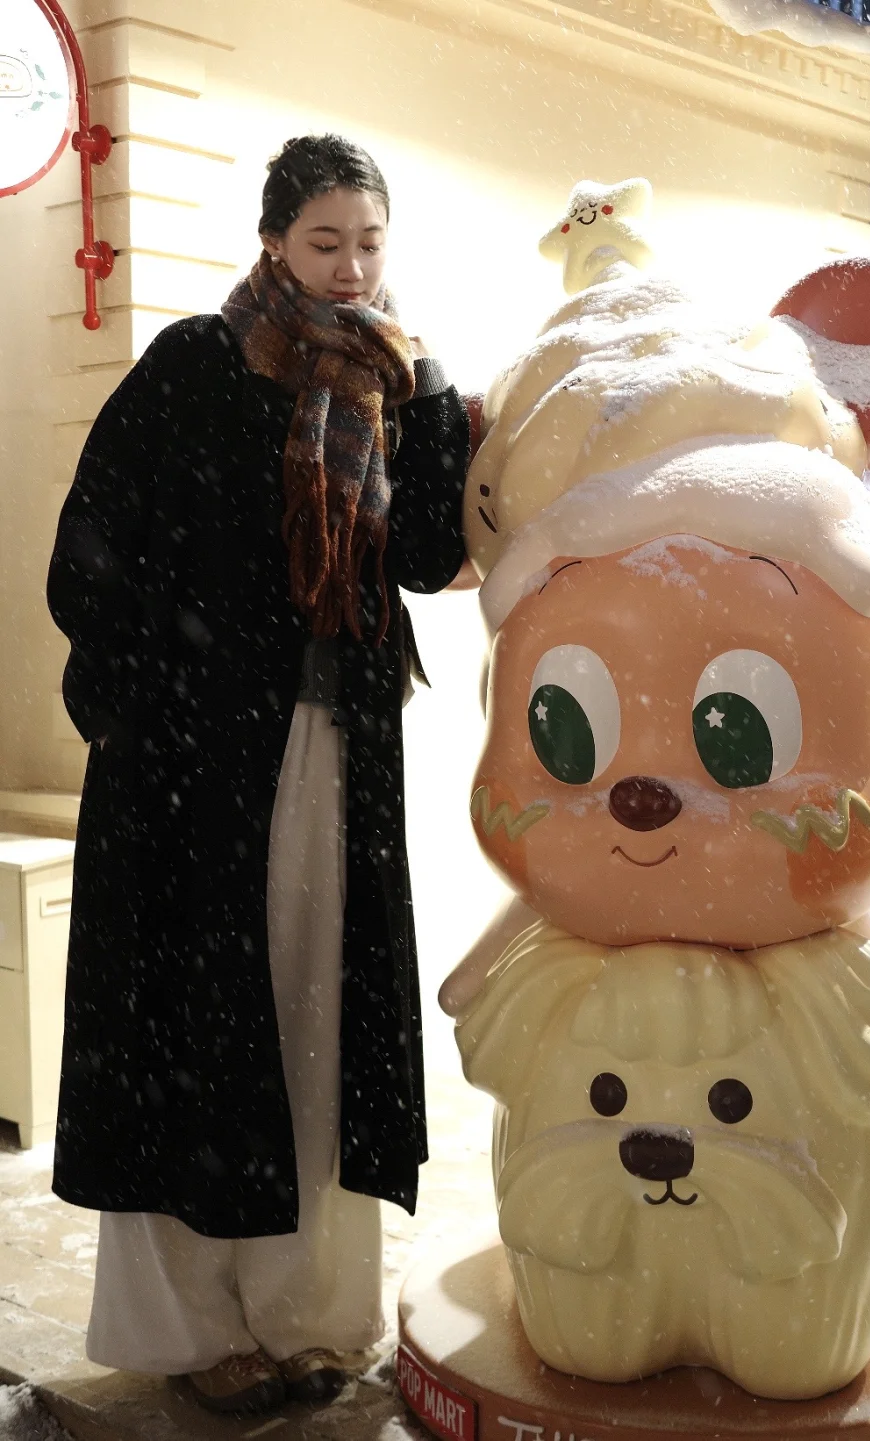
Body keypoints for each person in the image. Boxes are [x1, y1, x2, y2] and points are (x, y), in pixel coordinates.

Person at [46, 134, 470, 1414]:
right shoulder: (196, 362)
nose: (350, 268)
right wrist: (147, 705)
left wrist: (437, 398)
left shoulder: (389, 382)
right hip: (197, 771)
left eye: (369, 243)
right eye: (325, 241)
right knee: (199, 1034)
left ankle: (307, 1315)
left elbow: (428, 552)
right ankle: (193, 1331)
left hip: (337, 753)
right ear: (276, 241)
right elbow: (90, 547)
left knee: (314, 1023)